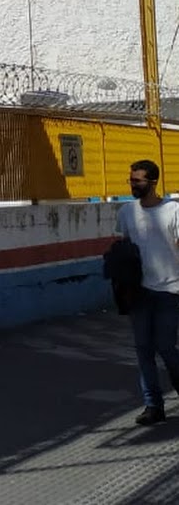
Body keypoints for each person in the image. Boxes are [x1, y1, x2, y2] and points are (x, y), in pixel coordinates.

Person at [115, 159, 179, 425]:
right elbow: (124, 248)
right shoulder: (127, 212)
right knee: (143, 349)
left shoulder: (173, 210)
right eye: (131, 180)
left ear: (153, 183)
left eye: (138, 181)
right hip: (138, 292)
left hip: (170, 290)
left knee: (166, 347)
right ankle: (153, 405)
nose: (133, 185)